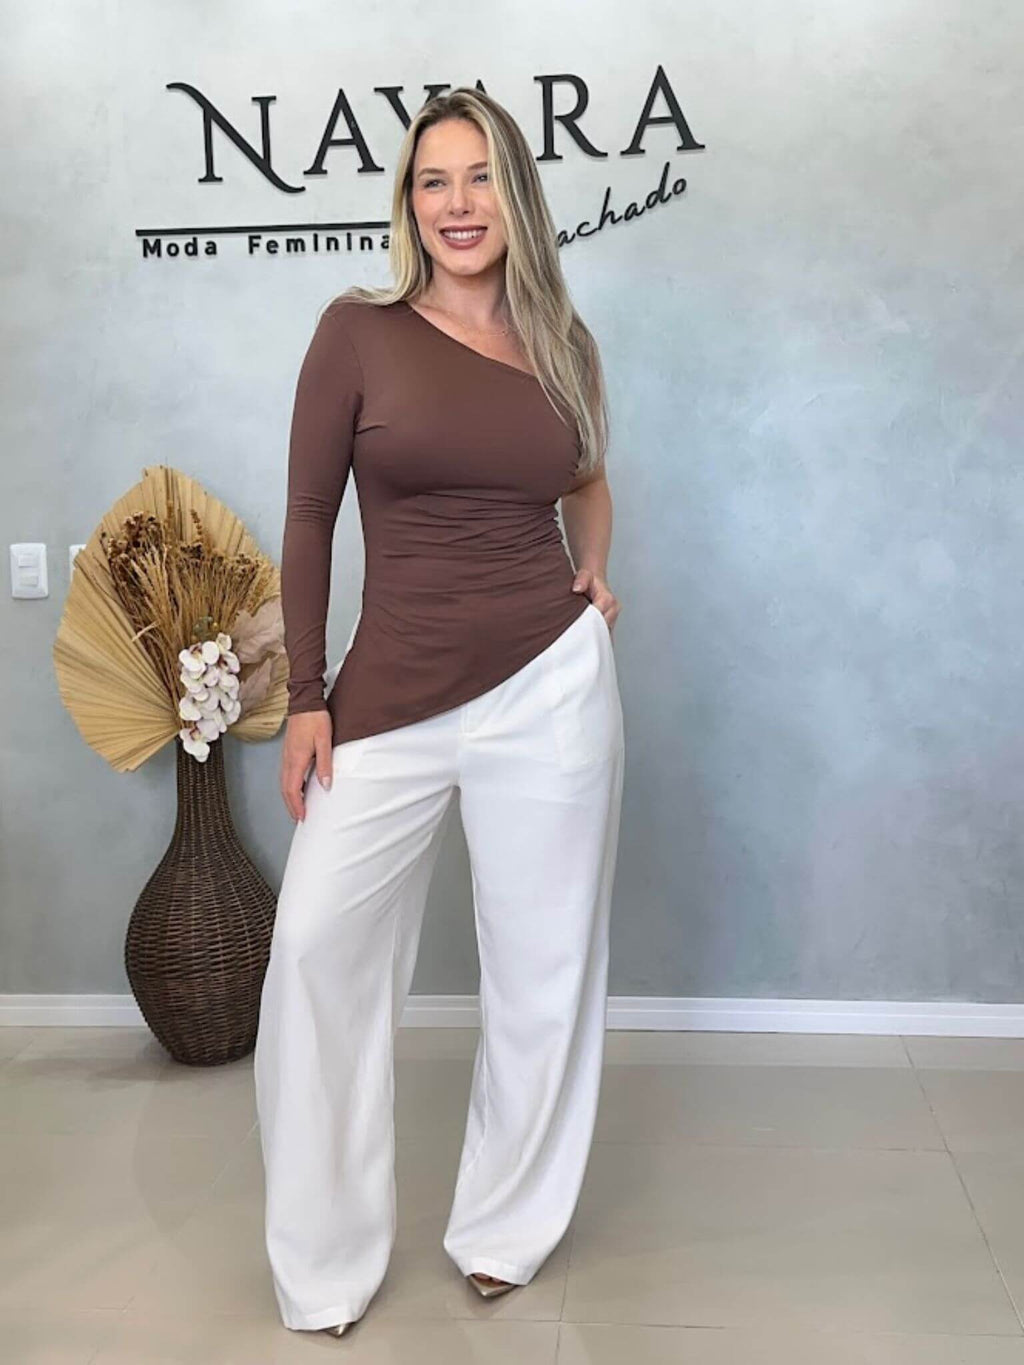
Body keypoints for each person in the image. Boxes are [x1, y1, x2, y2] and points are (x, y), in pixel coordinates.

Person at [253, 86, 625, 1339]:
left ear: (514, 196)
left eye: (477, 179)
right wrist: (307, 698)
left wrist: (592, 569)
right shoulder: (356, 332)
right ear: (408, 203)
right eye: (431, 181)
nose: (456, 204)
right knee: (316, 953)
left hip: (549, 684)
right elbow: (310, 516)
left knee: (542, 966)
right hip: (390, 695)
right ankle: (324, 1264)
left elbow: (587, 477)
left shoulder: (563, 341)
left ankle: (505, 1228)